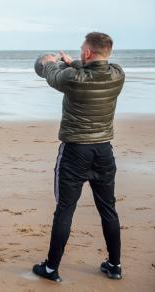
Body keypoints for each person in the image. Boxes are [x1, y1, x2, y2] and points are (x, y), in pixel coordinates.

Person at [32, 32, 125, 282]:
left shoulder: (73, 78)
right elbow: (93, 68)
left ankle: (51, 268)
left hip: (75, 151)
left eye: (82, 49)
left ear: (86, 52)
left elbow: (50, 73)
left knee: (64, 210)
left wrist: (51, 60)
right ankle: (115, 265)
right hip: (104, 150)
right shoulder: (117, 73)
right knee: (108, 209)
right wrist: (72, 61)